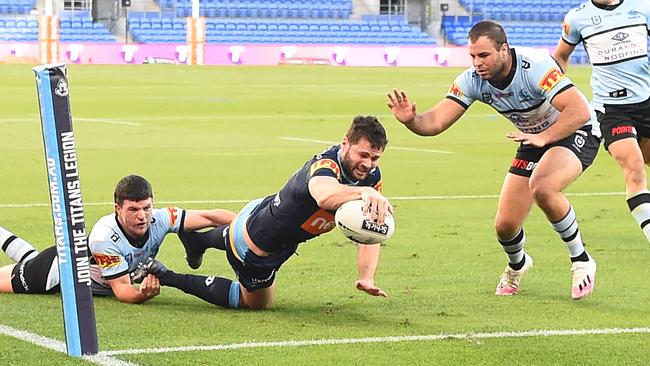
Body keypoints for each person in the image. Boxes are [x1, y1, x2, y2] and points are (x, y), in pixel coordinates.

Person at [386, 20, 600, 300]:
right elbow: (436, 121)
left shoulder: (535, 66)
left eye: (483, 55)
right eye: (472, 56)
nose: (477, 63)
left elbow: (579, 110)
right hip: (532, 137)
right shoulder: (472, 81)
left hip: (574, 129)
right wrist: (412, 120)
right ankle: (518, 266)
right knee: (505, 225)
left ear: (503, 50)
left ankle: (581, 260)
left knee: (544, 187)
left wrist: (545, 137)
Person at [143, 115, 393, 310]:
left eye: (375, 158)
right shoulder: (326, 164)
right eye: (363, 154)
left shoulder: (370, 178)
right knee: (256, 303)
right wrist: (364, 193)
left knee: (253, 230)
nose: (368, 164)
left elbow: (370, 231)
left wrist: (366, 276)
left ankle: (197, 239)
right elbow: (323, 194)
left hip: (264, 214)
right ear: (345, 143)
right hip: (256, 248)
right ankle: (168, 277)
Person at [0, 174, 237, 306]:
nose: (142, 216)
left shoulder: (161, 218)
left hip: (83, 272)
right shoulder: (106, 237)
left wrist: (246, 228)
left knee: (27, 257)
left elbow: (210, 216)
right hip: (56, 274)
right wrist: (143, 294)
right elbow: (122, 290)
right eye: (133, 209)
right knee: (23, 269)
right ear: (117, 209)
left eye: (147, 207)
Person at [553, 0, 650, 244]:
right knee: (634, 165)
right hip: (612, 109)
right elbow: (561, 57)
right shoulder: (577, 18)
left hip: (646, 101)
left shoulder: (642, 7)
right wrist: (560, 96)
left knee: (645, 159)